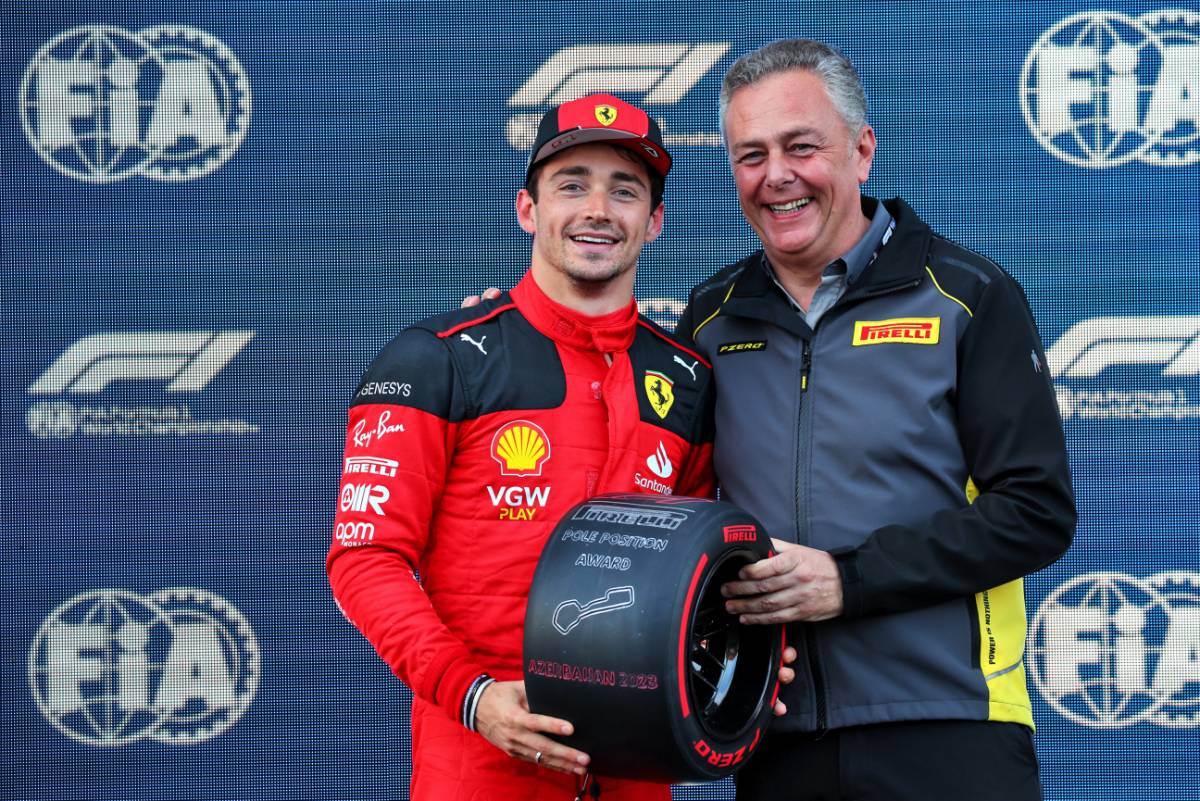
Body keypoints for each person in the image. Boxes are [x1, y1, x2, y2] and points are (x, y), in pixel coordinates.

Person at [674, 38, 1077, 800]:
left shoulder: (965, 296)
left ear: (862, 151)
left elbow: (1036, 512)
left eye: (801, 146)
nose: (777, 176)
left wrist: (847, 580)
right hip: (774, 734)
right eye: (750, 155)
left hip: (949, 727)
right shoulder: (710, 318)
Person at [326, 93, 723, 801]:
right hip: (476, 763)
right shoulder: (435, 359)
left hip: (637, 770)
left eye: (624, 190)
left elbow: (697, 578)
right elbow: (365, 559)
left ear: (654, 222)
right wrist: (474, 696)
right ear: (527, 209)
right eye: (572, 185)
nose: (598, 209)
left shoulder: (688, 379)